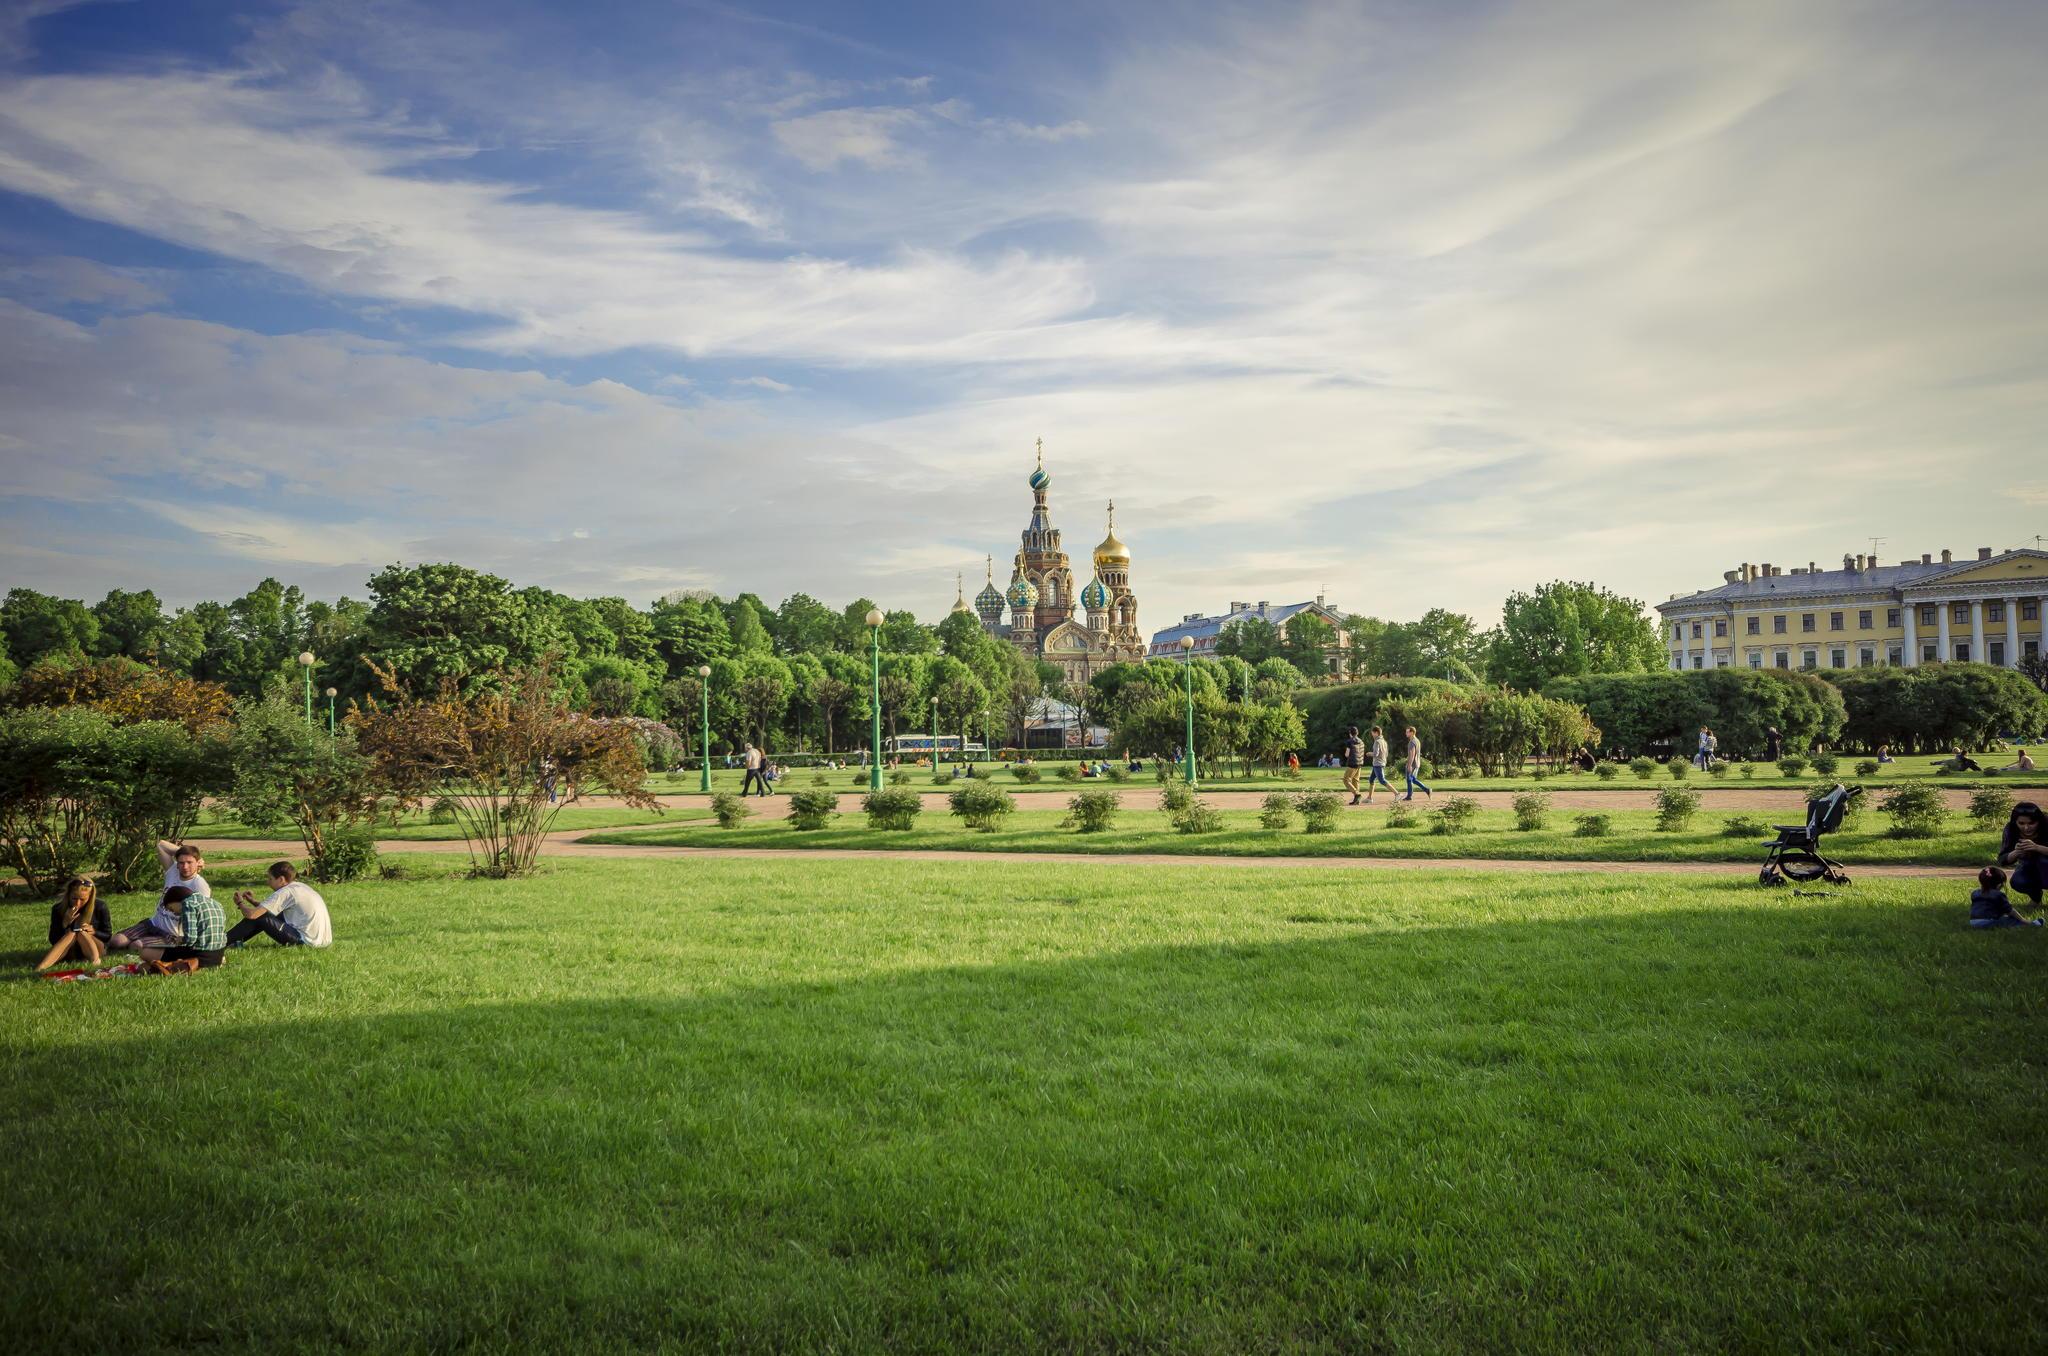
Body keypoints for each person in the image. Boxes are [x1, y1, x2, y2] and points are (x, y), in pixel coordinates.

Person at [109, 842, 209, 953]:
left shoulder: (200, 885)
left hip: (171, 934)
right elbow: (161, 845)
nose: (185, 867)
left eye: (190, 862)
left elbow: (203, 915)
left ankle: (146, 943)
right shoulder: (173, 872)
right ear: (177, 864)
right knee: (117, 941)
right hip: (152, 924)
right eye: (181, 862)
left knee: (136, 946)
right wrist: (186, 853)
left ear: (197, 863)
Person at [229, 860, 334, 948]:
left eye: (270, 879)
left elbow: (252, 915)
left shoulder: (286, 892)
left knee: (260, 917)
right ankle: (234, 942)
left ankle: (223, 942)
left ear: (281, 879)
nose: (268, 882)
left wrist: (240, 903)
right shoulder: (300, 887)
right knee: (265, 914)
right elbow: (270, 909)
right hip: (322, 941)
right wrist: (252, 901)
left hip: (305, 942)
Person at [140, 885, 228, 969]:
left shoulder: (188, 904)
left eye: (171, 908)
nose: (173, 912)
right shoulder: (215, 903)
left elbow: (191, 939)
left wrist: (180, 940)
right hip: (218, 954)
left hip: (200, 955)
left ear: (175, 900)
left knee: (146, 952)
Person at [37, 875, 112, 971]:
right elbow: (53, 940)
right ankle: (41, 967)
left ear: (90, 897)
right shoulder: (58, 909)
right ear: (68, 895)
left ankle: (95, 962)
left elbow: (108, 936)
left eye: (82, 899)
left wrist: (94, 932)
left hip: (96, 947)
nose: (77, 904)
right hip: (70, 949)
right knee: (72, 933)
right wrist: (64, 924)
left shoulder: (100, 907)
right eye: (74, 898)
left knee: (81, 932)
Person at [1998, 802, 2048, 904]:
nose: (2026, 828)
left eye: (2031, 823)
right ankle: (2036, 897)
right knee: (2018, 881)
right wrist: (2016, 852)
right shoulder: (2011, 830)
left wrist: (2037, 848)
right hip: (2028, 865)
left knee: (2043, 861)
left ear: (2039, 821)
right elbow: (2002, 859)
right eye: (2021, 823)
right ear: (2015, 822)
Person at [1970, 866, 2041, 929]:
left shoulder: (1975, 893)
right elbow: (2010, 910)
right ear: (1999, 885)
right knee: (2010, 921)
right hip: (1988, 922)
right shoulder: (1998, 894)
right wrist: (2022, 919)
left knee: (2003, 919)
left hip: (1973, 922)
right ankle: (2032, 924)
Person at [1401, 726, 1432, 801]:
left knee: (1409, 780)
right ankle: (1427, 790)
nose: (1406, 733)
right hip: (1417, 763)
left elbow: (1412, 754)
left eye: (1407, 732)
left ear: (1412, 732)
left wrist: (1409, 765)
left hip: (1413, 764)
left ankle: (1409, 796)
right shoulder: (1417, 740)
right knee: (1413, 780)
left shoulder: (1412, 742)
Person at [1367, 726, 1395, 800]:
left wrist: (1369, 753)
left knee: (1382, 780)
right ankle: (1369, 798)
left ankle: (1397, 794)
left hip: (1378, 764)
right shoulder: (1384, 741)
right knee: (1371, 779)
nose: (1372, 734)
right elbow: (1386, 754)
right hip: (1381, 762)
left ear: (1376, 733)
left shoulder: (1377, 741)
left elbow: (1376, 754)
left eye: (1372, 733)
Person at [1340, 725, 1366, 805]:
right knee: (1355, 780)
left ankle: (1357, 794)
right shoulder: (1361, 741)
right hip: (1360, 764)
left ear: (1350, 733)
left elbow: (1347, 754)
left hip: (1352, 764)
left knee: (1346, 780)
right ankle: (1356, 800)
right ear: (1357, 733)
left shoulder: (1349, 741)